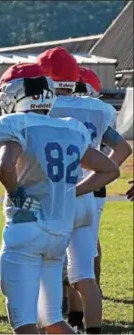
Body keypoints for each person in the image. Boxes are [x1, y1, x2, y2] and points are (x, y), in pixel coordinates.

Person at [0, 62, 120, 334]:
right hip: (58, 233)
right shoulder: (70, 128)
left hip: (25, 230)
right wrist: (73, 191)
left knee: (24, 322)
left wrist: (17, 193)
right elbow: (110, 168)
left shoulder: (12, 123)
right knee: (51, 320)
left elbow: (4, 165)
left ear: (13, 95)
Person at [38, 47, 131, 333]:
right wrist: (93, 180)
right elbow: (122, 148)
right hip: (86, 197)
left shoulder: (45, 107)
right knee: (85, 275)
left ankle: (49, 327)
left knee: (48, 269)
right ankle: (90, 330)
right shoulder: (98, 109)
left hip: (54, 198)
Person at [74, 67, 132, 291]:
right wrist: (101, 174)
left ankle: (72, 300)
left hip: (66, 183)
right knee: (89, 243)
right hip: (93, 187)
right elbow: (123, 149)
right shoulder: (97, 112)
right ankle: (92, 293)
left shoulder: (56, 111)